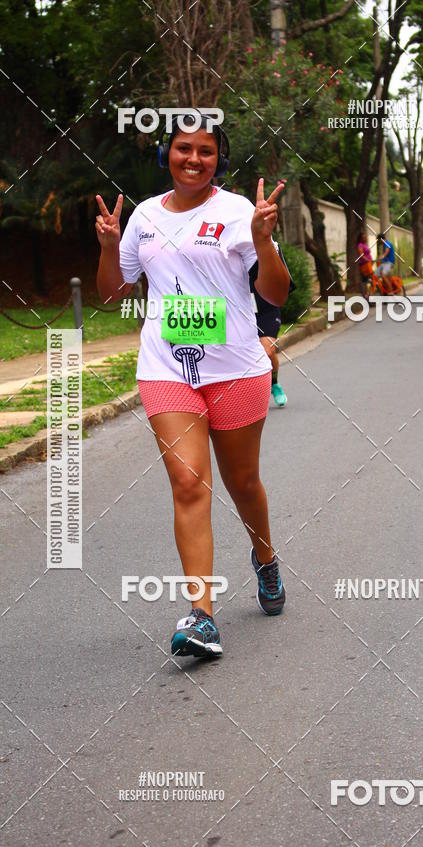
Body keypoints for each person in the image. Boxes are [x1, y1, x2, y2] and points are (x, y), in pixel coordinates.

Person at [95, 113, 293, 660]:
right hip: (167, 369)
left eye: (206, 151)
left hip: (236, 369)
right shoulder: (144, 216)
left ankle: (265, 558)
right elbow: (111, 294)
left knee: (243, 482)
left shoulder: (237, 212)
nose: (194, 159)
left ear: (218, 160)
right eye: (184, 148)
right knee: (188, 483)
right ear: (168, 155)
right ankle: (201, 615)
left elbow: (276, 293)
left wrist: (263, 242)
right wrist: (109, 247)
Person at [254, 238, 294, 407]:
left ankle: (274, 383)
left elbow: (283, 283)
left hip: (267, 309)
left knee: (268, 350)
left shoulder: (269, 246)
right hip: (241, 311)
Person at [357, 232, 375, 298]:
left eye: (365, 237)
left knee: (371, 279)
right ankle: (365, 294)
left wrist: (371, 261)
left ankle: (370, 293)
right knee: (365, 279)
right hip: (364, 264)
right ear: (361, 239)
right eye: (363, 238)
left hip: (368, 264)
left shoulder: (365, 244)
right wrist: (367, 259)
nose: (365, 238)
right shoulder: (360, 245)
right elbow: (361, 255)